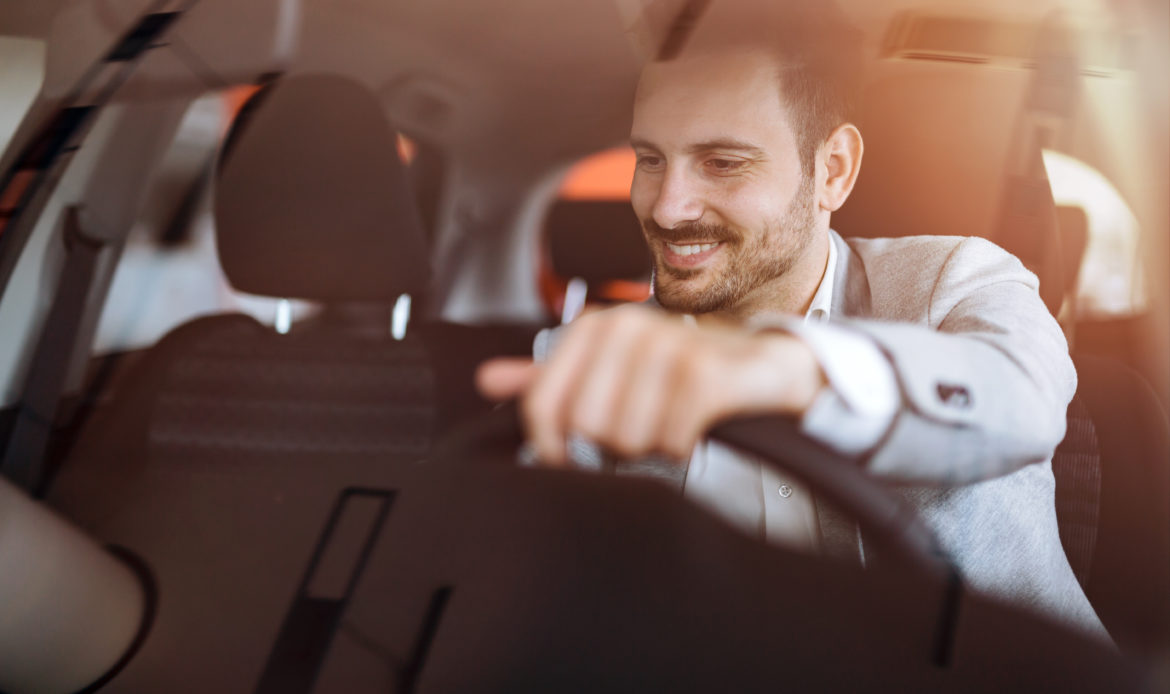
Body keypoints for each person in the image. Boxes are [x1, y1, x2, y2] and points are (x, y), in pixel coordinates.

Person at [477, 5, 1106, 637]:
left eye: (722, 162)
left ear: (833, 170)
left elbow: (1023, 398)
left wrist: (784, 368)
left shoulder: (954, 281)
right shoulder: (582, 361)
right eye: (650, 159)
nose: (667, 209)